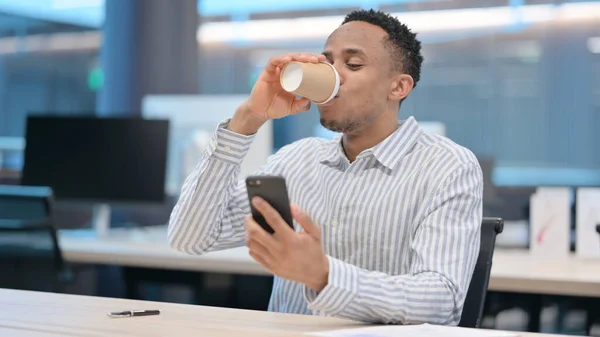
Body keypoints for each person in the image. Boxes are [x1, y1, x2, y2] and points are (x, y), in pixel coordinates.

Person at [168, 9, 483, 325]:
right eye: (327, 63)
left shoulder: (448, 168)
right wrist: (247, 118)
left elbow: (440, 303)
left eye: (353, 64)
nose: (333, 75)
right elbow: (190, 237)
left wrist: (324, 276)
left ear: (398, 87)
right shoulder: (297, 159)